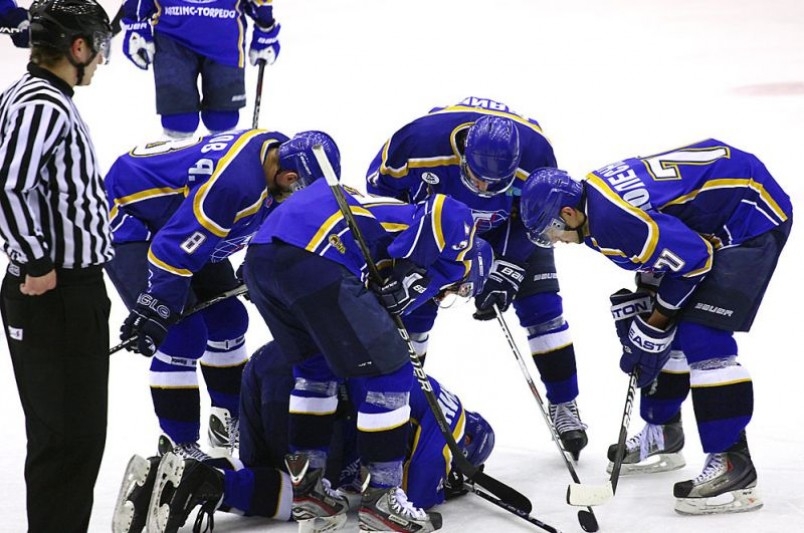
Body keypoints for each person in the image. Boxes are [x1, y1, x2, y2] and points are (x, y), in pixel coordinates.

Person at [519, 138, 793, 515]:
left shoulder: (611, 221)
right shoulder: (591, 204)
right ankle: (664, 431)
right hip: (722, 205)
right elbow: (661, 245)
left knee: (701, 333)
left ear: (568, 213)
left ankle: (734, 465)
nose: (555, 240)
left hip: (750, 215)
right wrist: (651, 308)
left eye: (552, 230)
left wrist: (654, 323)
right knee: (665, 321)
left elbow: (694, 261)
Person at [241, 158, 493, 532]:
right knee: (392, 371)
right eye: (457, 289)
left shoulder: (387, 233)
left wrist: (403, 279)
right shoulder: (456, 247)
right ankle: (383, 498)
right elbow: (451, 211)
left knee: (315, 372)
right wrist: (412, 271)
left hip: (261, 258)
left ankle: (309, 487)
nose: (446, 295)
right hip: (317, 252)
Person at [365, 95, 589, 459]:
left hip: (510, 226)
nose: (484, 190)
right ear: (463, 156)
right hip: (437, 228)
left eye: (496, 183)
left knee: (543, 308)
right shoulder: (416, 143)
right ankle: (403, 404)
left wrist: (509, 265)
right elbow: (382, 198)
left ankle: (565, 405)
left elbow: (535, 214)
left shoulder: (537, 153)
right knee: (413, 314)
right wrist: (412, 252)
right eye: (477, 178)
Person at [104, 129, 335, 461]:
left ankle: (227, 418)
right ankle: (179, 446)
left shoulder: (277, 151)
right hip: (130, 217)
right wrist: (159, 305)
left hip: (181, 214)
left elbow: (268, 216)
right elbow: (173, 249)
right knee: (181, 335)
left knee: (229, 321)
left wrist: (261, 260)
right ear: (288, 177)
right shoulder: (235, 186)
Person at [112, 341, 496, 533]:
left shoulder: (433, 396)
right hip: (317, 388)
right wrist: (442, 492)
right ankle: (209, 485)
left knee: (267, 473)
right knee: (308, 495)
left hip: (270, 363)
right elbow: (412, 501)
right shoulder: (450, 426)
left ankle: (168, 474)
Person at [0, 1, 113, 531]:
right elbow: (8, 186)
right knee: (69, 439)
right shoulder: (43, 104)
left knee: (70, 436)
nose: (101, 60)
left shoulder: (37, 96)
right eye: (98, 47)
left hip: (64, 293)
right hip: (58, 293)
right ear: (78, 46)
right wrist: (36, 260)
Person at [119, 0, 280, 138]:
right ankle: (176, 161)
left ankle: (223, 160)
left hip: (224, 41)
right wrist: (135, 25)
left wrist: (266, 29)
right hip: (172, 40)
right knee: (179, 121)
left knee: (222, 118)